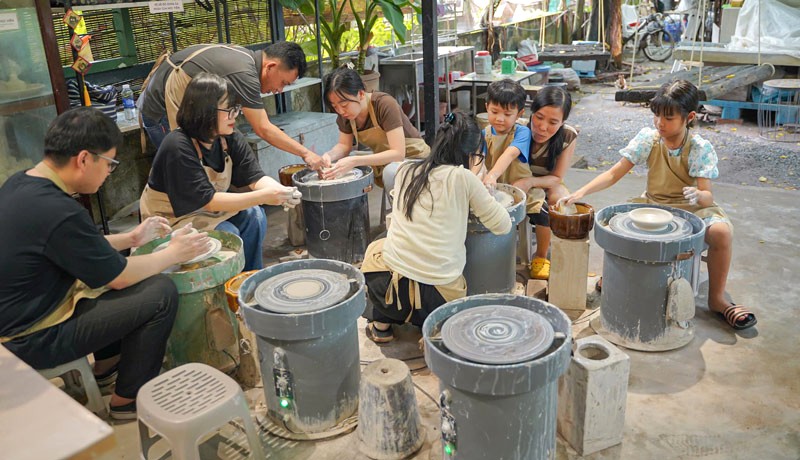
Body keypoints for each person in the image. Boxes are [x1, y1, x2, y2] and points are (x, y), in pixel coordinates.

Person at [0, 107, 210, 420]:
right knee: (160, 292)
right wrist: (173, 253)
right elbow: (119, 279)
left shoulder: (21, 184)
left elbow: (79, 247)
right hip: (31, 338)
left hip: (18, 319)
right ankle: (128, 400)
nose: (109, 172)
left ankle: (107, 367)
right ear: (84, 159)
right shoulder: (58, 209)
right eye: (109, 163)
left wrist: (132, 239)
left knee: (113, 267)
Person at [561, 80, 756, 330]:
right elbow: (614, 173)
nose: (660, 123)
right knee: (611, 222)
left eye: (668, 118)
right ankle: (616, 276)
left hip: (692, 208)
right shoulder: (649, 139)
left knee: (721, 232)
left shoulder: (699, 148)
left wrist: (699, 195)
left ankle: (717, 299)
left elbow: (707, 195)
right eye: (656, 116)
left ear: (690, 117)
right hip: (654, 204)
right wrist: (580, 191)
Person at [361, 111, 512, 343]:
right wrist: (477, 181)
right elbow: (503, 225)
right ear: (471, 154)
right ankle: (435, 332)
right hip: (438, 299)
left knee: (378, 247)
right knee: (446, 278)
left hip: (389, 291)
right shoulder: (464, 178)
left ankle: (382, 325)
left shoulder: (406, 170)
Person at [140, 73, 301, 271]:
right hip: (171, 219)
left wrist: (283, 192)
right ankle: (229, 287)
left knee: (255, 216)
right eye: (229, 110)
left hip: (207, 211)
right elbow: (209, 201)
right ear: (205, 109)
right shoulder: (177, 145)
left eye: (237, 109)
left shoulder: (228, 137)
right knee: (229, 232)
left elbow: (255, 177)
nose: (236, 115)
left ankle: (249, 277)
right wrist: (265, 196)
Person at [138, 41, 325, 169]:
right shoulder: (245, 72)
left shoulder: (246, 59)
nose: (278, 90)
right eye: (283, 83)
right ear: (270, 67)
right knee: (185, 168)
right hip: (159, 110)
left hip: (186, 111)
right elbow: (263, 129)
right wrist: (306, 153)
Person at [320, 66, 430, 190]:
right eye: (334, 106)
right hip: (386, 157)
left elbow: (398, 153)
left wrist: (355, 161)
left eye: (344, 105)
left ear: (361, 94)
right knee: (347, 160)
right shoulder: (346, 113)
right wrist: (329, 156)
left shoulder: (384, 104)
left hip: (415, 158)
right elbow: (344, 146)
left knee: (380, 168)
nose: (340, 111)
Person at [513, 85, 578, 280]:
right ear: (531, 113)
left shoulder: (568, 135)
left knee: (560, 201)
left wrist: (531, 181)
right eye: (539, 117)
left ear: (562, 122)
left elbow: (557, 177)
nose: (542, 127)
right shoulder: (519, 129)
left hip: (546, 181)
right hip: (517, 179)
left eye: (552, 122)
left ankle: (541, 256)